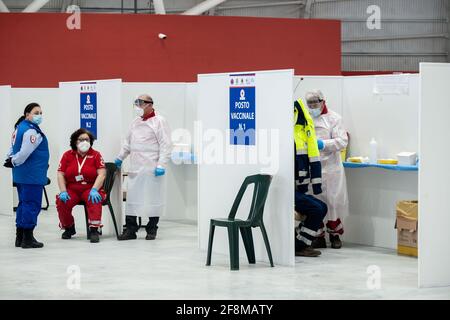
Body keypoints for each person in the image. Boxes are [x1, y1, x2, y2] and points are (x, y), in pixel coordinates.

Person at [115, 94, 172, 241]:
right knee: (133, 199)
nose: (138, 106)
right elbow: (128, 143)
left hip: (152, 168)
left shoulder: (159, 121)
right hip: (136, 166)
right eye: (136, 103)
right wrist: (120, 157)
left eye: (140, 103)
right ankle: (131, 230)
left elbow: (166, 145)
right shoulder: (135, 122)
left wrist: (161, 164)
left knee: (153, 198)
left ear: (150, 104)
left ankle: (152, 229)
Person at [305, 89, 349, 249]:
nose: (312, 106)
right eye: (309, 103)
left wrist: (323, 144)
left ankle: (335, 236)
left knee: (332, 203)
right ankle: (319, 236)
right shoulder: (305, 118)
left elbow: (343, 141)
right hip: (312, 168)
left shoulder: (334, 118)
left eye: (315, 102)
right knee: (316, 202)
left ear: (323, 101)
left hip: (331, 168)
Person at [4, 102, 49, 249]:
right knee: (32, 204)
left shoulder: (19, 128)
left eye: (41, 113)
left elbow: (12, 147)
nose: (39, 115)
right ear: (27, 114)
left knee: (23, 204)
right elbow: (24, 152)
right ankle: (28, 239)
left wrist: (10, 159)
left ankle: (20, 237)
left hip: (22, 175)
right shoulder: (31, 131)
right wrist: (15, 161)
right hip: (32, 175)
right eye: (36, 113)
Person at [56, 128, 106, 243]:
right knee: (61, 201)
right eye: (81, 139)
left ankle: (94, 229)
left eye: (87, 140)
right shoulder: (67, 155)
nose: (85, 142)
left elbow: (102, 174)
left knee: (94, 198)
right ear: (75, 141)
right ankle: (69, 227)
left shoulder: (96, 155)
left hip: (90, 188)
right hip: (72, 189)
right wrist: (63, 191)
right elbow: (60, 174)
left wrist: (95, 189)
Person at [293, 98, 328, 257]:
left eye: (316, 102)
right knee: (316, 208)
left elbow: (312, 156)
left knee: (322, 206)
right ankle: (299, 245)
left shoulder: (303, 128)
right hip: (284, 188)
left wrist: (315, 184)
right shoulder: (294, 129)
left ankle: (298, 241)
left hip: (297, 185)